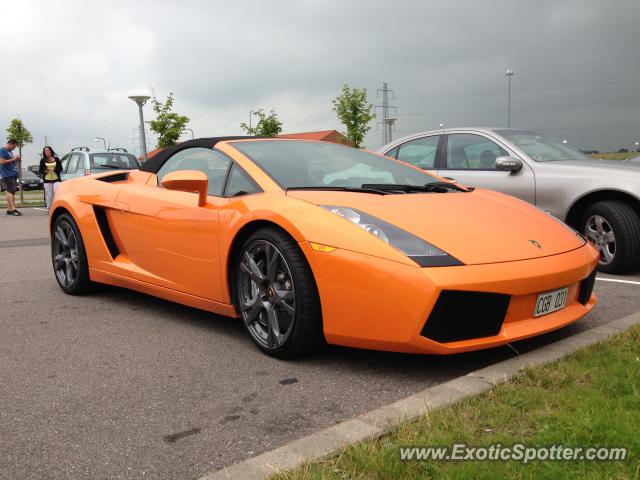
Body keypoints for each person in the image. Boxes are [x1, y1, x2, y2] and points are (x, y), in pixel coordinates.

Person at [0, 139, 22, 216]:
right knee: (11, 190)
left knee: (11, 191)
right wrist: (14, 159)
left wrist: (17, 160)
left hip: (12, 173)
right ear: (10, 144)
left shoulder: (9, 151)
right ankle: (13, 209)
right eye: (14, 146)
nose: (14, 148)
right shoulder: (3, 150)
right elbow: (2, 161)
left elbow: (11, 161)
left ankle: (9, 210)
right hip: (7, 174)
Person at [39, 146, 63, 211]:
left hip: (56, 179)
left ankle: (58, 208)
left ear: (51, 151)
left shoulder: (56, 159)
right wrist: (45, 171)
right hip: (47, 180)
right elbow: (40, 170)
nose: (47, 152)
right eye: (45, 151)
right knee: (49, 196)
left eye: (48, 150)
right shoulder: (43, 160)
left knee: (57, 193)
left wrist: (54, 170)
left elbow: (61, 168)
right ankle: (49, 209)